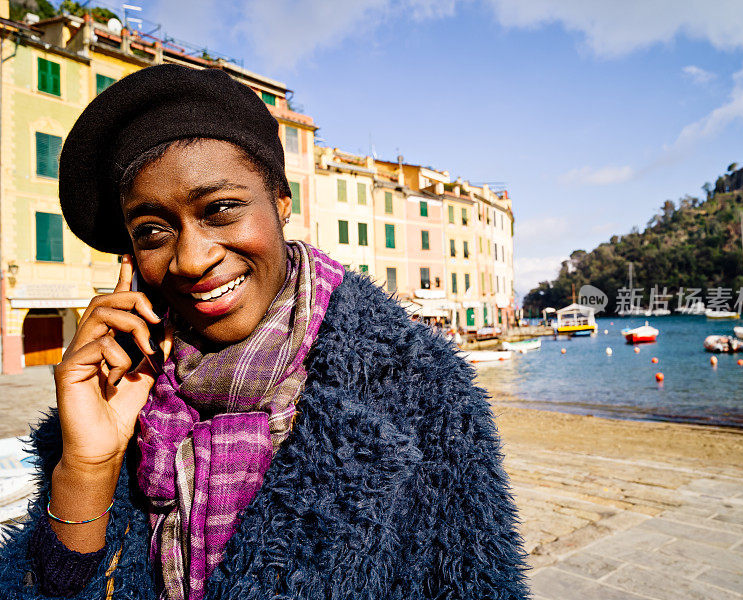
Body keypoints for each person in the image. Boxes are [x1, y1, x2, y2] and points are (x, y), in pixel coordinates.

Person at [0, 65, 528, 599]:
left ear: (280, 204)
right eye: (153, 232)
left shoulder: (421, 391)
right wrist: (89, 467)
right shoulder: (122, 396)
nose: (191, 259)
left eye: (221, 210)